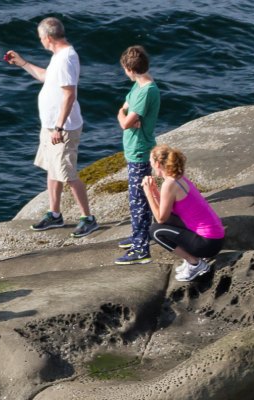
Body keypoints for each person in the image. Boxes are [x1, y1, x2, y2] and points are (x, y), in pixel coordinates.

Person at [5, 17, 99, 238]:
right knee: (52, 169)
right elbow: (47, 78)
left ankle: (88, 218)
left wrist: (59, 127)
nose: (41, 42)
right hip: (50, 126)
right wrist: (23, 63)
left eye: (41, 39)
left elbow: (69, 94)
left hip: (62, 128)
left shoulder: (66, 58)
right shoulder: (59, 56)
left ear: (47, 37)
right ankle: (54, 214)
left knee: (68, 174)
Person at [143, 145, 225, 282]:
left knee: (155, 231)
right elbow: (165, 212)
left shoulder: (169, 184)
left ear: (157, 164)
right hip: (214, 239)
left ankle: (194, 263)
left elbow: (160, 218)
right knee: (166, 222)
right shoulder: (178, 178)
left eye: (151, 162)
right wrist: (154, 190)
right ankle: (193, 260)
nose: (150, 165)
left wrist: (148, 193)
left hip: (207, 244)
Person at [114, 45, 161, 265]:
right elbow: (123, 109)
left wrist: (124, 116)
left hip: (140, 150)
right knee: (137, 198)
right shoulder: (137, 86)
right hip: (133, 148)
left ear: (130, 69)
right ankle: (139, 235)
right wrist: (124, 114)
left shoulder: (146, 91)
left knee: (139, 201)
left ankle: (141, 248)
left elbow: (124, 122)